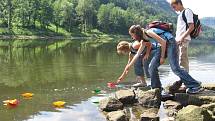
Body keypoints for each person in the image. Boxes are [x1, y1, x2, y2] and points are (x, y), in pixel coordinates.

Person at [117, 25, 203, 94]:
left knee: (175, 68)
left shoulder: (148, 32)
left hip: (170, 43)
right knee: (151, 67)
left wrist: (162, 57)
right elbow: (137, 55)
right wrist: (129, 66)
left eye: (132, 35)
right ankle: (157, 88)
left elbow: (163, 42)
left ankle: (195, 85)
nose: (132, 37)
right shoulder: (143, 40)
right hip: (161, 46)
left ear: (136, 33)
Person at [171, 0, 194, 72]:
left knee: (183, 60)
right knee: (180, 61)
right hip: (178, 40)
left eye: (174, 7)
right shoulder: (180, 14)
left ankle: (187, 81)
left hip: (183, 40)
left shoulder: (187, 11)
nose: (173, 9)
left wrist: (182, 37)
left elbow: (191, 27)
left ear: (179, 4)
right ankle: (183, 80)